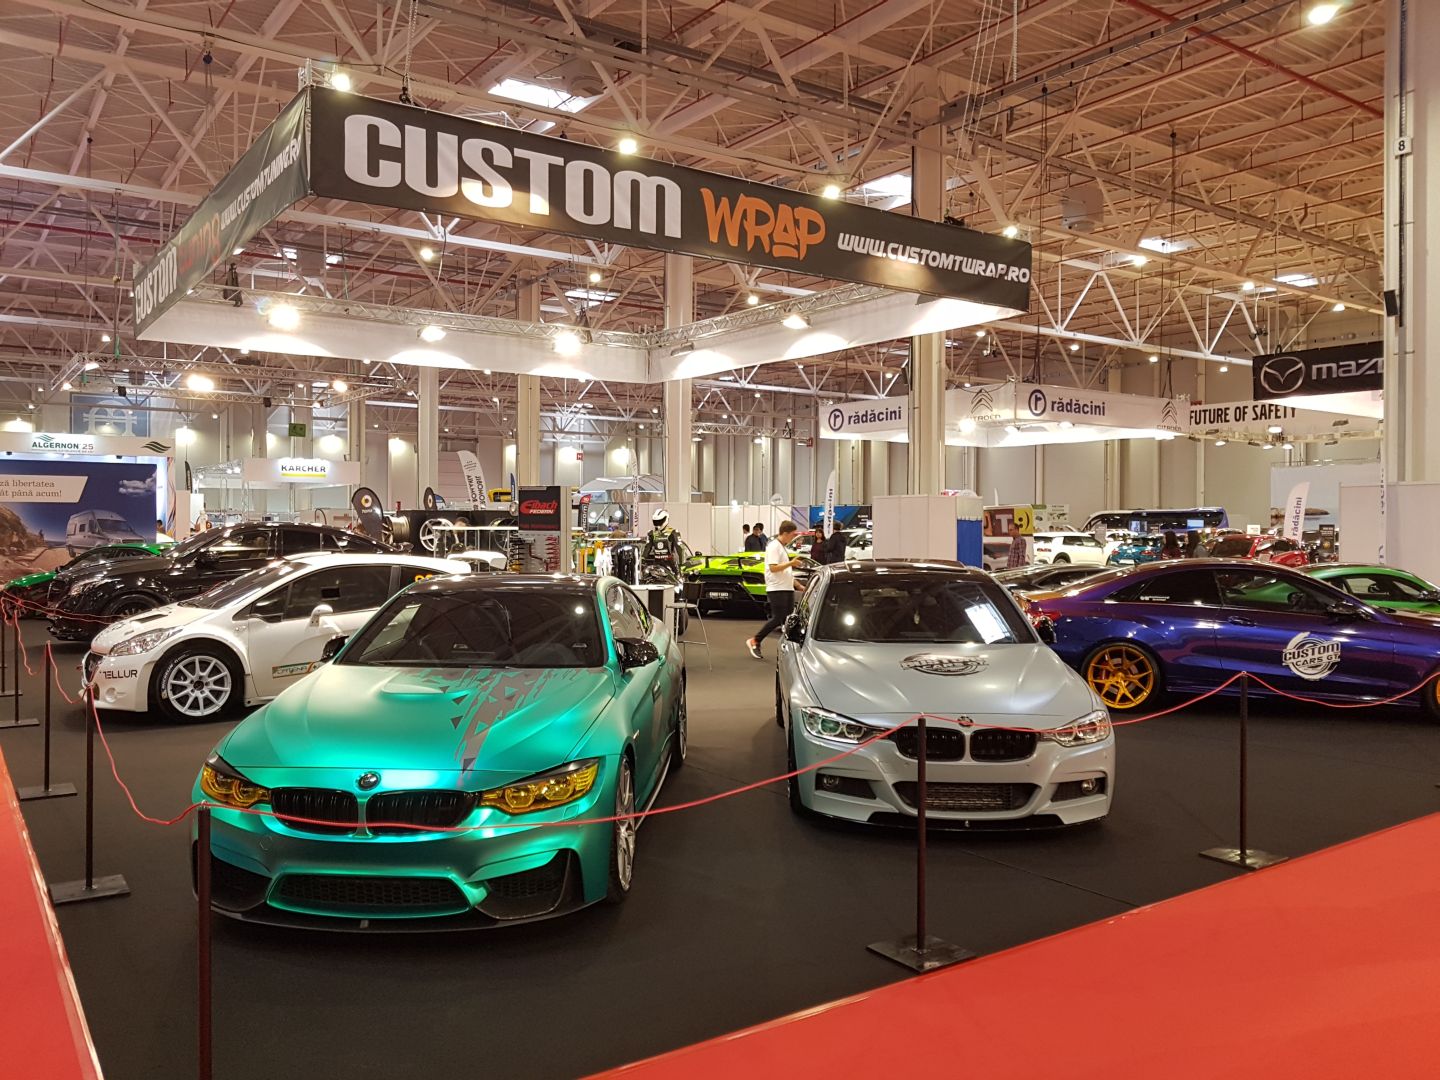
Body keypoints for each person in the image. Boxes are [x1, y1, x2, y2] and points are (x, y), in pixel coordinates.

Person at [747, 520, 803, 660]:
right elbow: (773, 568)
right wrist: (791, 563)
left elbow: (785, 571)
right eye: (793, 534)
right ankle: (755, 640)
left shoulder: (781, 547)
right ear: (785, 533)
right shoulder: (774, 547)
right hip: (777, 588)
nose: (793, 537)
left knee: (788, 619)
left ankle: (789, 647)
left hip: (786, 587)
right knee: (778, 617)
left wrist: (798, 585)